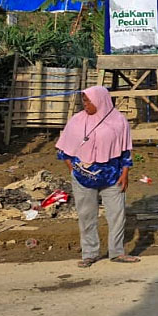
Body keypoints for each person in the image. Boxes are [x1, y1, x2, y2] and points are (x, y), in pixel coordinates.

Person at [56, 86, 140, 267]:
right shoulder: (76, 121)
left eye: (88, 100)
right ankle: (89, 253)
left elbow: (126, 151)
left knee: (117, 215)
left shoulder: (119, 121)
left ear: (101, 100)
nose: (85, 104)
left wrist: (125, 173)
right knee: (86, 216)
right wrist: (74, 170)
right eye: (83, 101)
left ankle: (117, 252)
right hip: (83, 179)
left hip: (112, 177)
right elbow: (64, 151)